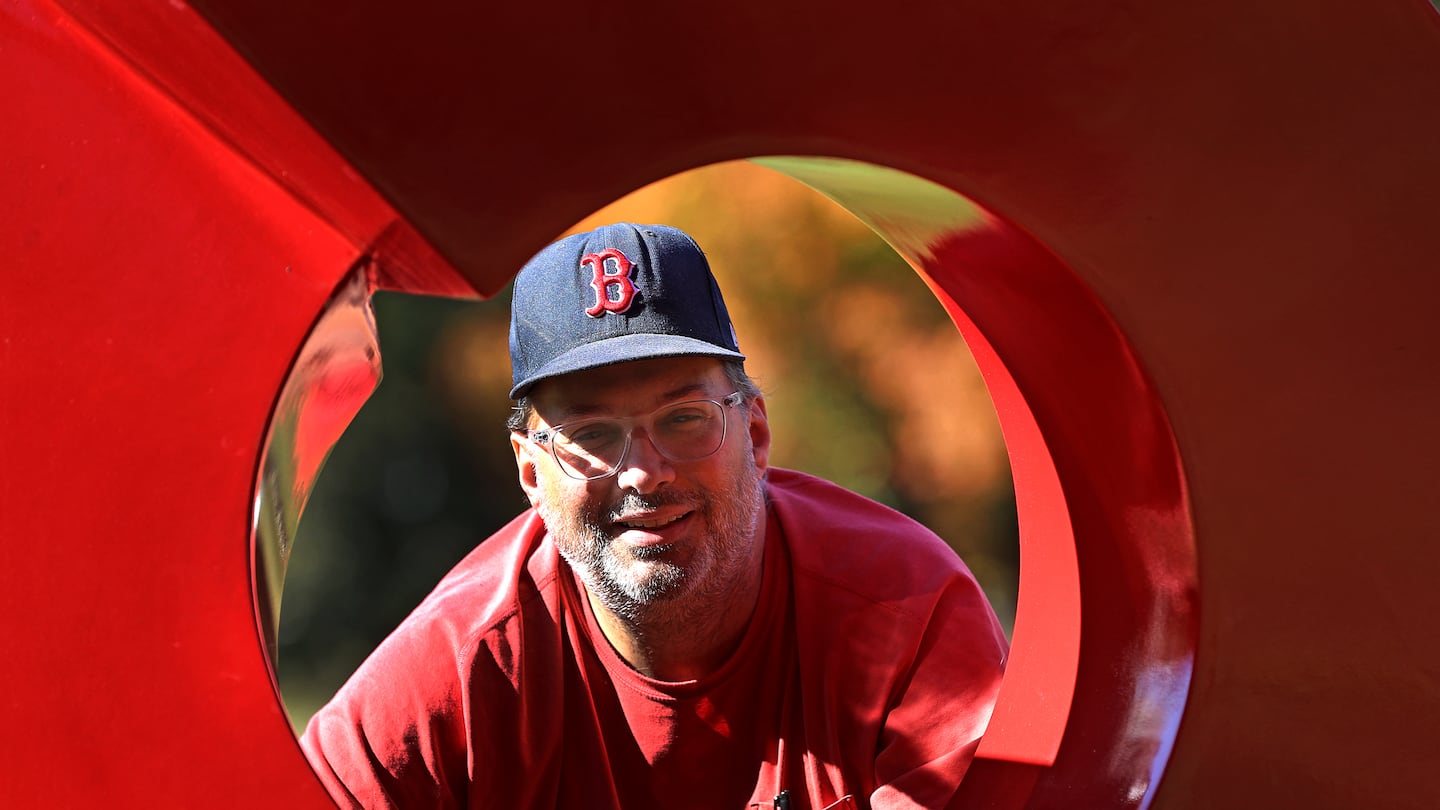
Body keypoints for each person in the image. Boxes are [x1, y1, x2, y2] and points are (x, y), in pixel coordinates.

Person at [300, 223, 1008, 809]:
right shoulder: (457, 671)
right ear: (529, 472)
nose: (644, 471)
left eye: (685, 418)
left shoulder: (904, 612)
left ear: (755, 434)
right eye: (592, 435)